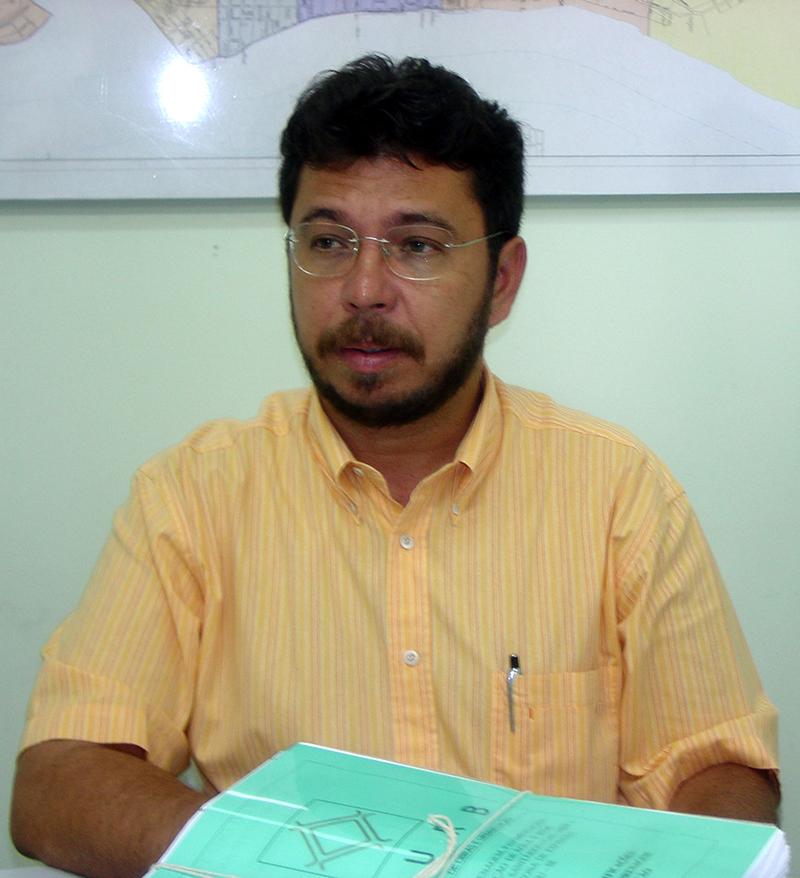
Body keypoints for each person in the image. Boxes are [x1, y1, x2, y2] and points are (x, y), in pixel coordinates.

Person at [12, 55, 779, 878]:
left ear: (502, 281)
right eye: (328, 242)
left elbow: (719, 771)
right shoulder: (192, 496)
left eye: (416, 246)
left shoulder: (618, 493)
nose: (364, 289)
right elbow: (58, 783)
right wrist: (309, 862)